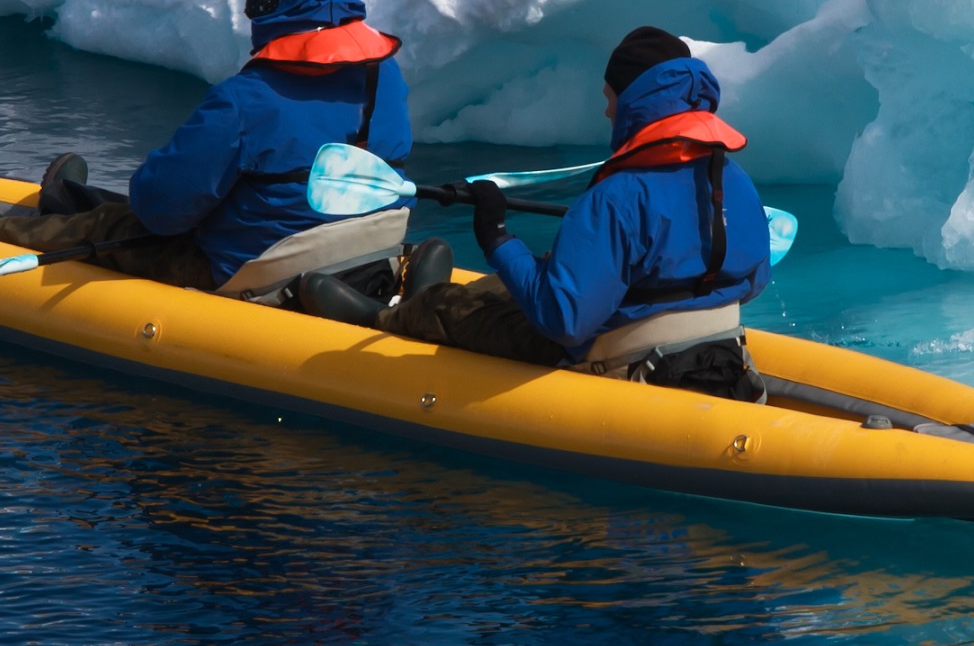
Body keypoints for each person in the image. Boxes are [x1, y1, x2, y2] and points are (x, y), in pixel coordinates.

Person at [298, 27, 772, 400]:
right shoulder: (731, 178)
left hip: (619, 352)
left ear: (635, 102)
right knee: (518, 282)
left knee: (462, 305)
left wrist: (497, 236)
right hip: (708, 342)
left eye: (610, 98)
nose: (608, 112)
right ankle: (419, 300)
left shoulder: (617, 197)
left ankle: (384, 320)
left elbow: (562, 320)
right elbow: (753, 280)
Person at [0, 0, 417, 295]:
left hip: (247, 269)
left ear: (273, 10)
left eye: (258, 2)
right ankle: (68, 201)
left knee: (120, 222)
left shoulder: (247, 99)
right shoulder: (384, 76)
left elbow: (161, 211)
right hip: (356, 256)